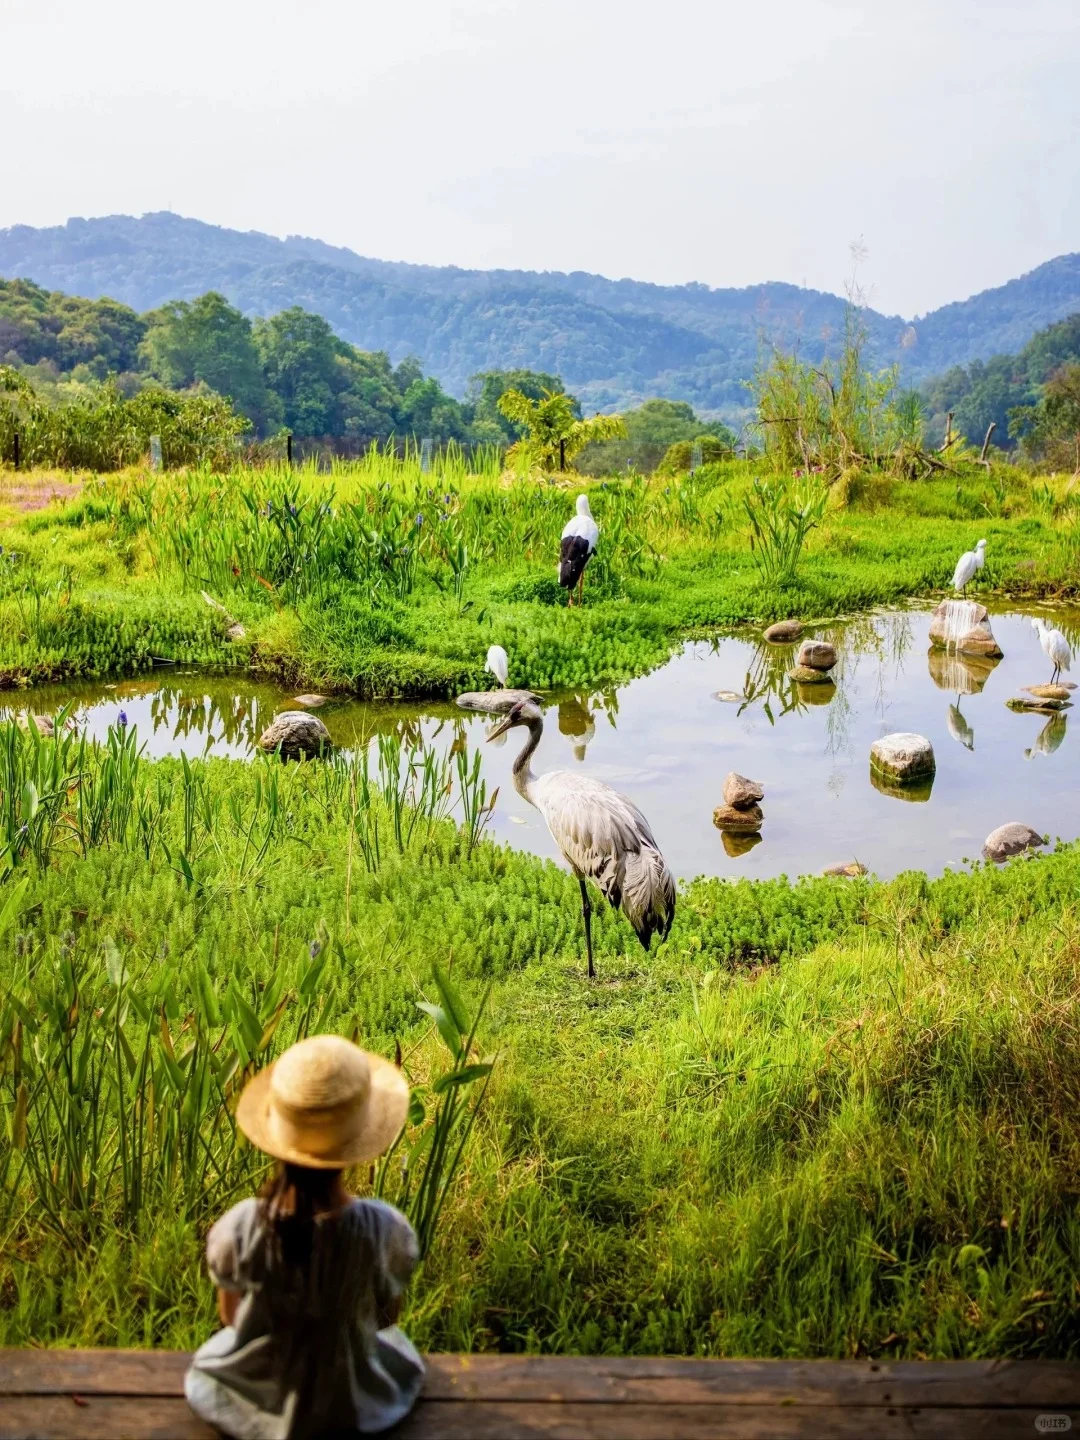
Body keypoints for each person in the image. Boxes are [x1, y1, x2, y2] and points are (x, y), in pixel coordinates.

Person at [185, 1034, 424, 1439]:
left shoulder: (242, 1226)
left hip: (258, 1393)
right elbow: (386, 1320)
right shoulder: (384, 1229)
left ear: (277, 1132)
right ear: (360, 1137)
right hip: (353, 1400)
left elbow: (229, 1317)